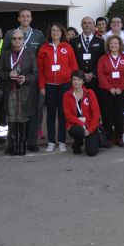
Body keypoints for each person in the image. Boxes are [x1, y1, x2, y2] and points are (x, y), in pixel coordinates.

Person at [4, 8, 46, 152]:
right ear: (18, 18)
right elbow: (5, 54)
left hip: (31, 80)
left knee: (32, 113)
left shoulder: (38, 35)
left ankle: (31, 142)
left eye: (28, 16)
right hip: (12, 82)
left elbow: (41, 58)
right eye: (23, 16)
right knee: (13, 114)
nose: (25, 18)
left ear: (31, 18)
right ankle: (13, 143)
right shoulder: (10, 34)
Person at [37, 23, 78, 152]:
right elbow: (40, 70)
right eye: (53, 30)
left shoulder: (67, 47)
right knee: (50, 114)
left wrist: (74, 85)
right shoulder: (44, 48)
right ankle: (50, 141)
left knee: (62, 114)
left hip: (65, 85)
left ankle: (61, 141)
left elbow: (74, 67)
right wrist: (42, 87)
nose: (56, 33)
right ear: (50, 33)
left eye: (58, 31)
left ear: (62, 33)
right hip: (50, 86)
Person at [0, 29, 38, 155]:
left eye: (20, 38)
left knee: (23, 117)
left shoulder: (29, 53)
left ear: (23, 40)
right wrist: (8, 74)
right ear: (11, 40)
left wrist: (26, 78)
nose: (17, 41)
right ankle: (13, 146)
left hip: (24, 91)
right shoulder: (5, 54)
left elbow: (35, 73)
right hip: (11, 90)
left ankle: (22, 146)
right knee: (12, 118)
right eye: (14, 39)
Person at [97, 35, 124, 147]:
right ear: (108, 45)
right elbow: (100, 74)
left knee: (119, 115)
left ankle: (119, 137)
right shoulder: (103, 58)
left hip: (122, 91)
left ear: (120, 45)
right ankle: (109, 137)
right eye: (111, 43)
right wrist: (110, 88)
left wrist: (120, 88)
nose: (113, 45)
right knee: (107, 115)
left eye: (115, 43)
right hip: (106, 91)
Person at [63, 70, 101, 156]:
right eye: (74, 79)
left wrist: (90, 130)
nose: (76, 82)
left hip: (89, 125)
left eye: (79, 80)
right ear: (71, 81)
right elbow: (68, 115)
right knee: (78, 131)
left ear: (83, 81)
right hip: (74, 125)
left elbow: (96, 113)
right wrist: (81, 123)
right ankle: (78, 141)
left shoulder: (90, 93)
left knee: (92, 152)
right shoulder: (67, 95)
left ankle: (91, 139)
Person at [69, 16, 105, 96]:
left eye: (89, 23)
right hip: (79, 78)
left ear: (93, 25)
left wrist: (92, 73)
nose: (87, 25)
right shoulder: (73, 40)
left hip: (95, 78)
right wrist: (81, 74)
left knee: (94, 101)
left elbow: (101, 60)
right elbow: (71, 59)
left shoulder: (100, 40)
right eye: (84, 23)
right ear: (81, 25)